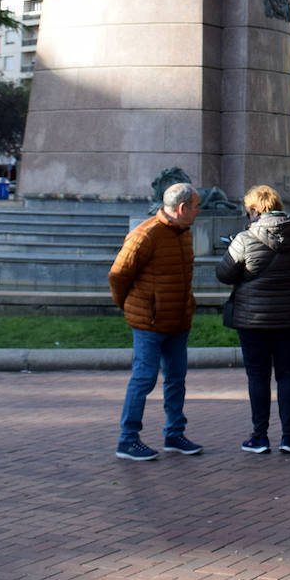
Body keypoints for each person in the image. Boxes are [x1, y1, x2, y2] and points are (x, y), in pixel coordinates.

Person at [218, 184, 290, 455]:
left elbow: (224, 273)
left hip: (253, 318)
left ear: (254, 210)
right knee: (288, 375)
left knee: (258, 375)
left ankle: (259, 436)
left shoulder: (244, 239)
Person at [109, 183, 203, 461]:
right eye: (197, 206)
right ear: (183, 208)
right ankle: (128, 440)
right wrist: (130, 306)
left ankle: (174, 434)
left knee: (176, 379)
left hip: (177, 322)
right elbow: (118, 275)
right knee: (144, 379)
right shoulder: (146, 234)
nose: (199, 211)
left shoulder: (184, 233)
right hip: (149, 323)